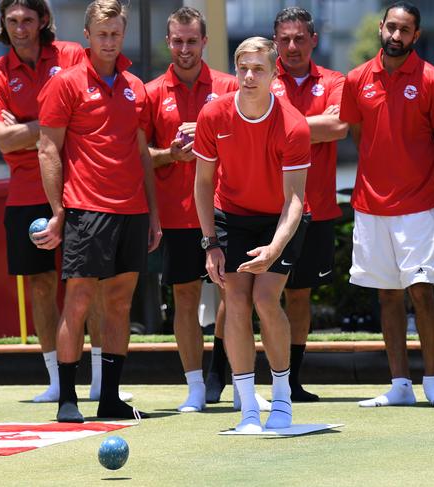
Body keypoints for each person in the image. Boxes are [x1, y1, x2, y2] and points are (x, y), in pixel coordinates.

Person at [0, 0, 132, 404]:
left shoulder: (68, 53)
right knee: (41, 287)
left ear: (43, 20)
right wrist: (50, 123)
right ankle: (54, 382)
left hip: (80, 190)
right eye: (11, 21)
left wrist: (30, 126)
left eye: (28, 20)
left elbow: (92, 106)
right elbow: (3, 139)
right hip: (25, 194)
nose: (20, 28)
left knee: (91, 287)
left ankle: (101, 381)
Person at [36, 0, 161, 422]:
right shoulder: (66, 84)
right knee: (79, 299)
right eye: (102, 34)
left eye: (115, 34)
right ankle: (68, 399)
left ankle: (110, 397)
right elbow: (48, 148)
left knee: (121, 304)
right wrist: (58, 212)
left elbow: (142, 153)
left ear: (122, 35)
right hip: (85, 210)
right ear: (87, 36)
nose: (109, 41)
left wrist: (154, 215)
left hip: (132, 211)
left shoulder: (136, 86)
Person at [340, 1, 434, 407]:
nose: (395, 36)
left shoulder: (433, 80)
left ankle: (433, 381)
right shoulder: (356, 79)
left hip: (418, 205)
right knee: (387, 295)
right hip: (370, 207)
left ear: (416, 36)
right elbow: (358, 133)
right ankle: (400, 384)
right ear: (381, 29)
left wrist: (432, 178)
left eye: (404, 30)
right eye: (391, 27)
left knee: (421, 292)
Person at [194, 37, 310, 432]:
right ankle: (246, 409)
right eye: (242, 67)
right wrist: (209, 244)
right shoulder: (214, 115)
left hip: (281, 219)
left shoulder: (293, 125)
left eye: (258, 68)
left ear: (274, 73)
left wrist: (274, 250)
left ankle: (282, 398)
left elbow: (295, 200)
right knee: (237, 302)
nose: (248, 76)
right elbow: (203, 183)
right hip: (233, 216)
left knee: (264, 298)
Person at [145, 7, 237, 413]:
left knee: (233, 295)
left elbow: (248, 145)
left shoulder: (230, 86)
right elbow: (139, 156)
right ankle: (196, 388)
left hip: (225, 207)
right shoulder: (150, 93)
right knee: (184, 298)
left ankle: (226, 373)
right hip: (177, 212)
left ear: (205, 41)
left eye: (192, 41)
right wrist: (171, 154)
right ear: (169, 42)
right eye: (178, 41)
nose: (185, 49)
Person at [272, 7, 348, 402]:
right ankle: (234, 380)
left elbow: (338, 127)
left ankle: (291, 382)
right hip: (269, 207)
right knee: (251, 293)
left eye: (299, 38)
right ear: (275, 43)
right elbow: (252, 123)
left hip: (316, 207)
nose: (292, 46)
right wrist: (311, 124)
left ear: (313, 40)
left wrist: (279, 123)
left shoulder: (334, 80)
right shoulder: (263, 79)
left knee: (299, 296)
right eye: (284, 39)